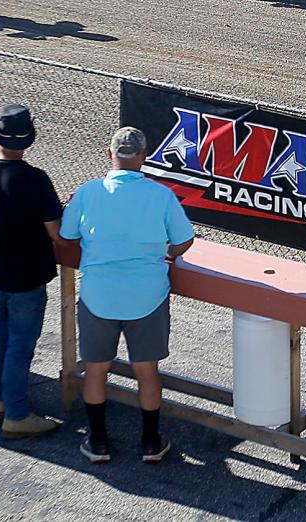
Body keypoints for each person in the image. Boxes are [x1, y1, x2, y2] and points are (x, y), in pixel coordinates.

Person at [60, 127, 195, 464]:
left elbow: (67, 234)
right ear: (144, 157)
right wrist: (167, 253)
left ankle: (98, 441)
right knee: (146, 370)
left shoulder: (89, 192)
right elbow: (185, 240)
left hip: (98, 295)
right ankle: (150, 442)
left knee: (96, 370)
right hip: (147, 295)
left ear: (110, 154)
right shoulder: (161, 195)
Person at [0, 104, 64, 439]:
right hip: (26, 278)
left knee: (2, 338)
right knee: (21, 345)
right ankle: (16, 415)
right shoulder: (35, 179)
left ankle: (5, 400)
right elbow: (57, 232)